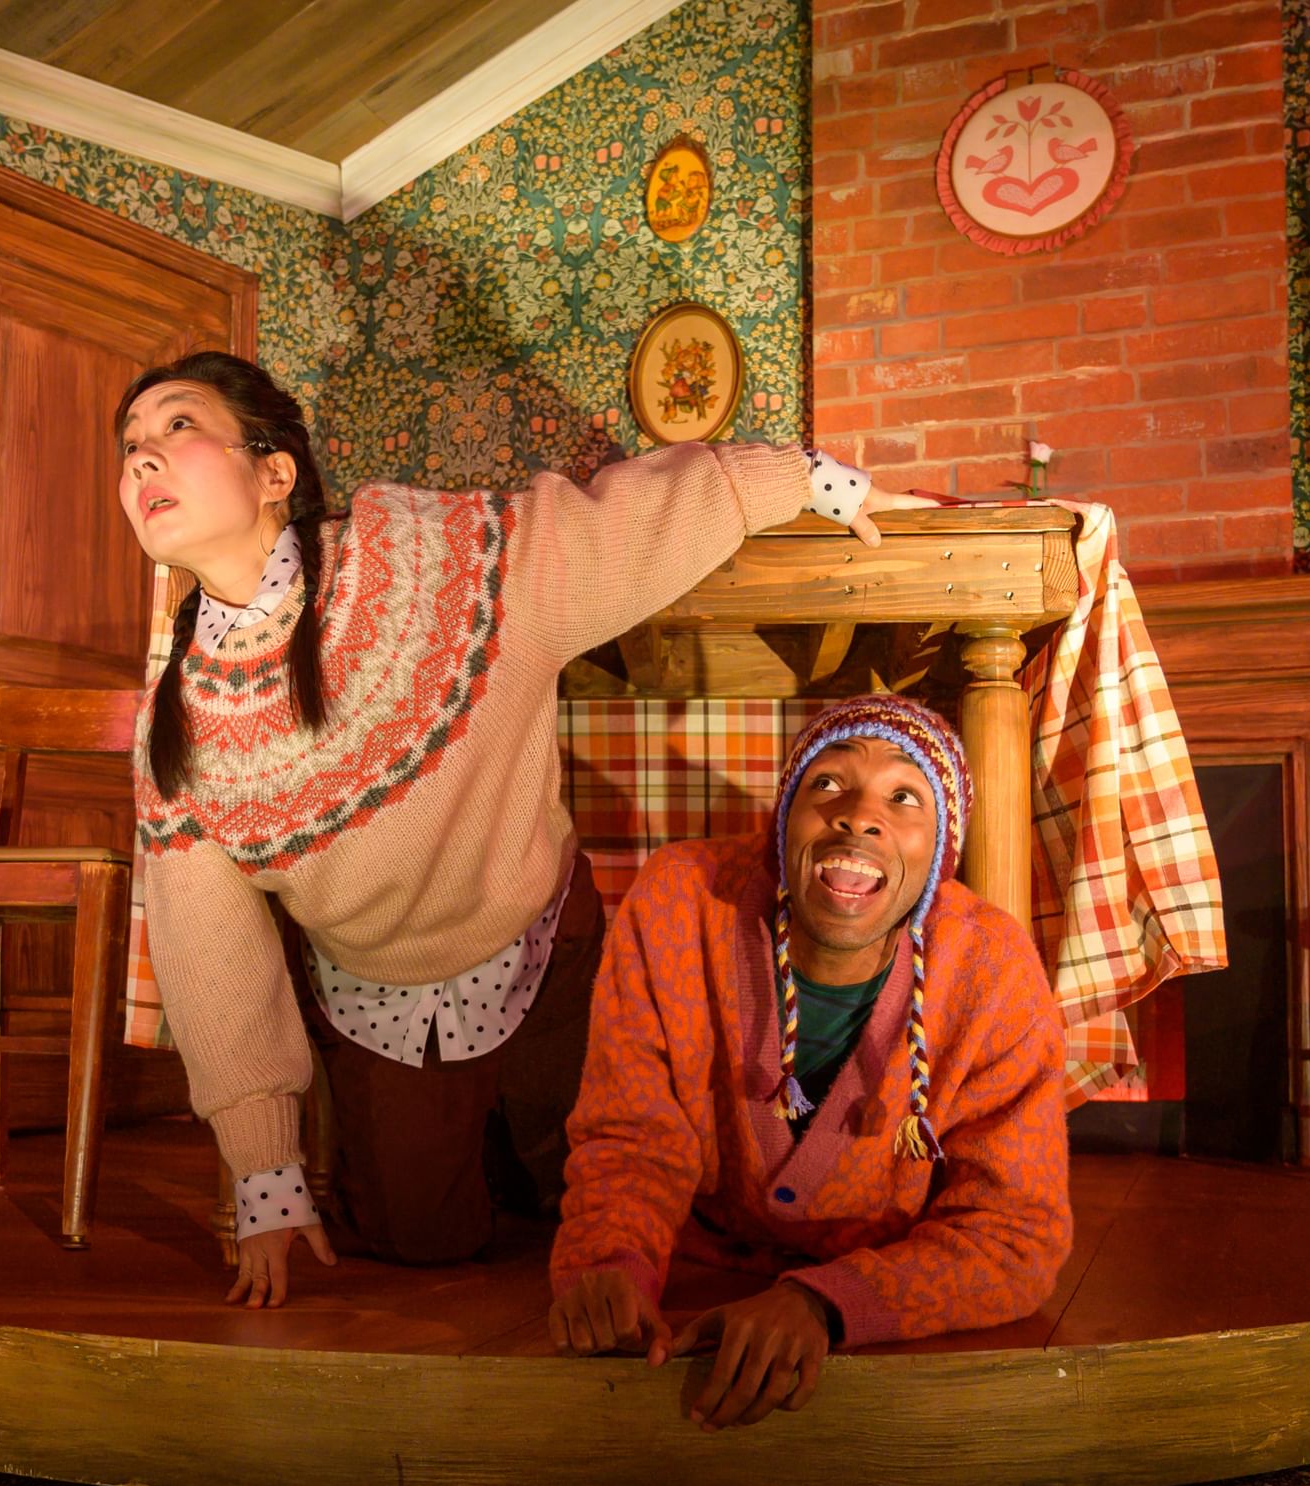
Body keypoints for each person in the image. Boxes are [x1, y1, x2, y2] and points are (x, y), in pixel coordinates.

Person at [120, 351, 926, 1307]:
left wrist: (800, 477)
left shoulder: (427, 555)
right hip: (381, 996)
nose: (141, 462)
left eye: (176, 427)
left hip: (546, 949)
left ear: (275, 473)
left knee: (608, 1195)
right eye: (129, 448)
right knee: (422, 1241)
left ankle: (516, 1134)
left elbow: (607, 530)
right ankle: (468, 1137)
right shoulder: (177, 722)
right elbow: (215, 959)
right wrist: (265, 1176)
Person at [546, 695, 1072, 1428]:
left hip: (880, 1294)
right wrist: (611, 1261)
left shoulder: (991, 967)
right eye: (827, 784)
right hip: (690, 1269)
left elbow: (1016, 1232)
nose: (858, 814)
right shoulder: (677, 901)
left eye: (904, 796)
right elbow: (631, 1135)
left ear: (938, 856)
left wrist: (822, 1302)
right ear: (782, 822)